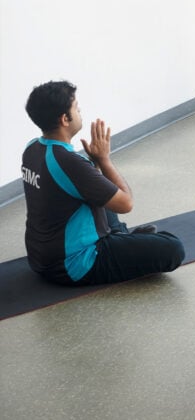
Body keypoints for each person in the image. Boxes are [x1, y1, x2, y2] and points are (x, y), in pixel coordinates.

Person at [21, 80, 185, 286]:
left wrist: (94, 166)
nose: (80, 111)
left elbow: (73, 189)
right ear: (65, 119)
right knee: (173, 248)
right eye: (76, 108)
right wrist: (104, 160)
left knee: (103, 192)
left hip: (39, 257)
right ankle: (119, 238)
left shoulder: (32, 148)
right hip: (73, 264)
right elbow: (126, 203)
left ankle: (119, 237)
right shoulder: (69, 162)